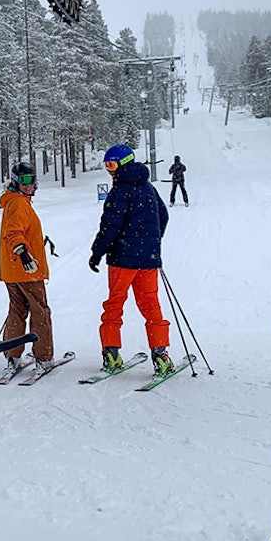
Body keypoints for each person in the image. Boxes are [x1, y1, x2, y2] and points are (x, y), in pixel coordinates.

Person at [88, 145, 172, 375]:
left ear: (124, 163)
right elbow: (163, 216)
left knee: (114, 305)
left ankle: (111, 354)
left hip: (122, 261)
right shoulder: (148, 188)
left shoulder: (120, 192)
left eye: (112, 165)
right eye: (106, 166)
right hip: (147, 261)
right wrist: (150, 243)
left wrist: (97, 252)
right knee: (151, 305)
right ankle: (161, 354)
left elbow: (110, 227)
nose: (109, 171)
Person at [0, 160, 54, 375]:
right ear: (15, 181)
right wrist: (23, 253)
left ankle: (12, 355)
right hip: (27, 270)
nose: (29, 185)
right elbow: (14, 233)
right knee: (40, 311)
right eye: (24, 181)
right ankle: (43, 357)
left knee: (17, 310)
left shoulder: (14, 202)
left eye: (32, 180)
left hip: (12, 270)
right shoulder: (19, 204)